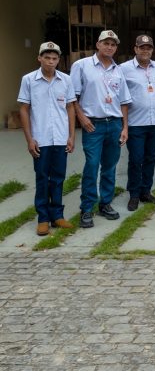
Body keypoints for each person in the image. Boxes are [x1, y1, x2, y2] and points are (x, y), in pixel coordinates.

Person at [71, 30, 131, 229]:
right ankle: (87, 208)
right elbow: (72, 97)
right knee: (91, 165)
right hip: (93, 125)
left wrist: (124, 127)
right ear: (98, 44)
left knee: (110, 166)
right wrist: (82, 118)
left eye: (113, 44)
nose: (109, 47)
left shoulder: (118, 70)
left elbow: (124, 101)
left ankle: (105, 203)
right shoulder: (81, 66)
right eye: (106, 43)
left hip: (114, 124)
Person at [18, 42, 76, 235]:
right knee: (42, 177)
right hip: (40, 139)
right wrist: (29, 139)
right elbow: (24, 109)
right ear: (39, 58)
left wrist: (71, 136)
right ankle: (43, 218)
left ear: (59, 60)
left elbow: (70, 107)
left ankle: (57, 216)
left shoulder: (66, 80)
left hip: (60, 138)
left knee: (58, 178)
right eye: (47, 58)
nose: (51, 62)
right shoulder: (29, 80)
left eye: (54, 58)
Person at [120, 34, 155, 211]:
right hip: (135, 123)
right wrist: (123, 124)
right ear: (135, 49)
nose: (145, 51)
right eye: (142, 47)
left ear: (152, 50)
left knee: (150, 158)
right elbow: (121, 97)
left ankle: (146, 190)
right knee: (136, 159)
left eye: (148, 48)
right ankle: (134, 194)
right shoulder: (124, 69)